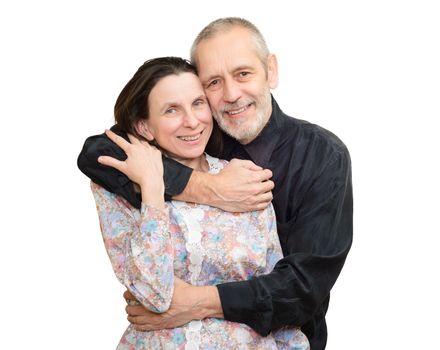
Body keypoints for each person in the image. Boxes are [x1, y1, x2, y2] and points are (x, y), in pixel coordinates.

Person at [78, 17, 352, 350]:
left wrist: (196, 303)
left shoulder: (322, 155)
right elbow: (96, 153)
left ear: (271, 71)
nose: (232, 95)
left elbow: (303, 289)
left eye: (243, 74)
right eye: (213, 82)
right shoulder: (198, 135)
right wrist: (208, 187)